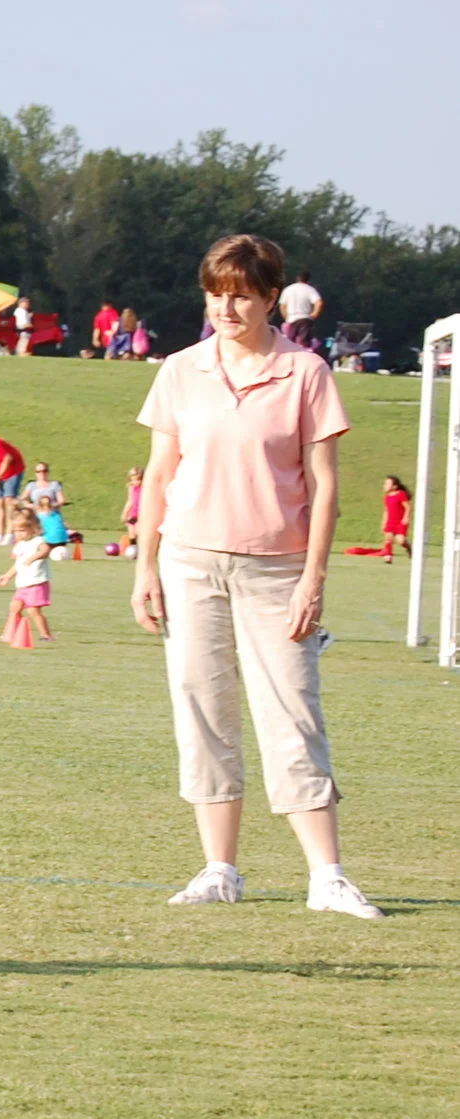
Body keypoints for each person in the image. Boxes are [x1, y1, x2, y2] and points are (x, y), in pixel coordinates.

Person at [132, 232, 377, 918]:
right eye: (215, 294)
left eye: (240, 296)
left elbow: (324, 487)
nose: (225, 308)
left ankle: (327, 876)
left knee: (292, 712)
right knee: (202, 711)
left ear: (272, 299)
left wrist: (313, 579)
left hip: (277, 569)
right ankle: (219, 869)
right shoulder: (180, 370)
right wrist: (145, 566)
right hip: (190, 563)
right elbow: (159, 474)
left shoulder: (307, 373)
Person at [0, 509, 53, 644]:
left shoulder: (37, 541)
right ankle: (14, 632)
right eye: (16, 531)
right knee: (14, 607)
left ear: (33, 529)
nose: (18, 534)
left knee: (33, 611)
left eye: (22, 530)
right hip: (22, 585)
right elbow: (18, 565)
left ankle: (46, 635)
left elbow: (45, 550)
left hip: (36, 583)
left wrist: (34, 558)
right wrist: (7, 576)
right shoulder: (20, 545)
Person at [280, 270, 324, 348]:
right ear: (308, 280)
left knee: (288, 343)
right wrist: (314, 315)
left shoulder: (288, 289)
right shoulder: (310, 289)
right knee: (304, 344)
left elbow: (282, 306)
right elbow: (319, 303)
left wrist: (286, 317)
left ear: (297, 278)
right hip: (304, 319)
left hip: (291, 319)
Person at [379, 475, 413, 562]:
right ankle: (388, 556)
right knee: (388, 538)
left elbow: (408, 507)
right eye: (385, 484)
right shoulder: (386, 497)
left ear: (394, 486)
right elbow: (386, 511)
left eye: (387, 484)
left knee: (401, 541)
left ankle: (409, 547)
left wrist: (406, 517)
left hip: (400, 522)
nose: (385, 486)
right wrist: (384, 523)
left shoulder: (401, 494)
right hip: (390, 522)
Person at [122, 466, 144, 555]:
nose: (136, 482)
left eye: (138, 480)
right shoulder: (132, 488)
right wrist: (125, 513)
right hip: (133, 514)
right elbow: (130, 501)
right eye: (133, 480)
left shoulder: (144, 489)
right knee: (131, 532)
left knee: (139, 531)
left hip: (141, 514)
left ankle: (142, 550)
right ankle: (133, 549)